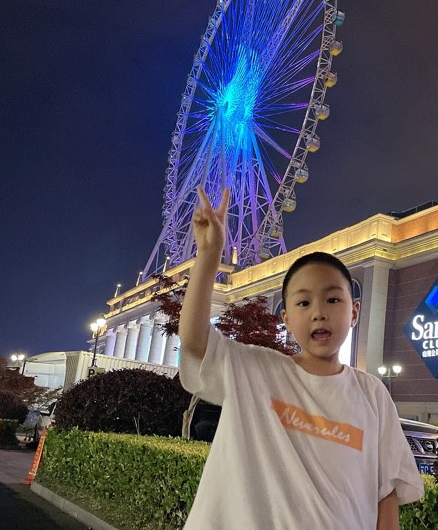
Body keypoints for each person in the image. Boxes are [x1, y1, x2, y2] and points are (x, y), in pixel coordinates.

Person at [179, 187, 424, 529]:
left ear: (354, 312)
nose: (318, 313)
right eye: (304, 303)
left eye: (333, 300)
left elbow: (387, 495)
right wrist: (208, 256)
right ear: (287, 319)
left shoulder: (373, 395)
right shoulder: (256, 370)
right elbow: (194, 342)